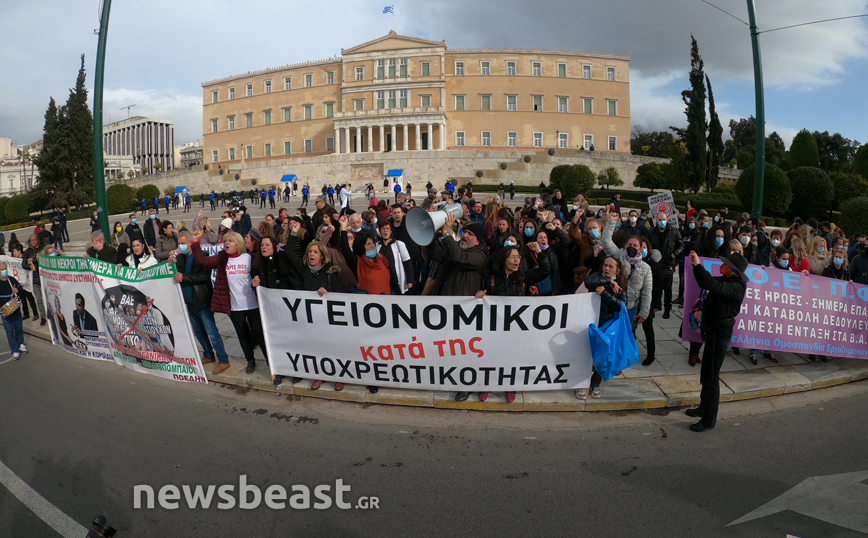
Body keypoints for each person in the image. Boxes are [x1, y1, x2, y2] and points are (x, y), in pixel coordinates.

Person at [685, 251, 748, 432]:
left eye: (725, 264)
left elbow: (710, 284)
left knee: (712, 375)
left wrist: (698, 265)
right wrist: (697, 267)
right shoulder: (726, 280)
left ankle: (709, 419)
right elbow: (707, 282)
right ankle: (703, 407)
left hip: (720, 333)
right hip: (713, 331)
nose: (722, 266)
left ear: (733, 269)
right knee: (707, 372)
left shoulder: (737, 286)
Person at [192, 230, 267, 375]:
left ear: (238, 243)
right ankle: (250, 360)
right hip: (234, 306)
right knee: (242, 334)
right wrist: (195, 242)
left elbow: (261, 274)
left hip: (252, 304)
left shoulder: (249, 258)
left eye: (230, 241)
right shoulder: (222, 258)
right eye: (226, 240)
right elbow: (202, 262)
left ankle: (270, 361)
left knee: (259, 333)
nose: (226, 243)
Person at [171, 231, 230, 374]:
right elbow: (175, 274)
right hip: (189, 302)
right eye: (179, 243)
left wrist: (185, 278)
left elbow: (204, 277)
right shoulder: (180, 258)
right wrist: (171, 262)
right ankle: (208, 355)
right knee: (198, 332)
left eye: (183, 243)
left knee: (211, 331)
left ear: (191, 243)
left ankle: (223, 360)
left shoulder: (202, 255)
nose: (181, 246)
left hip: (202, 301)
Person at [576, 255, 627, 400]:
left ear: (618, 270)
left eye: (611, 266)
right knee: (587, 355)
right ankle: (582, 384)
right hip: (590, 324)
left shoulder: (620, 286)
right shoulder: (598, 278)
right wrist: (608, 281)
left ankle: (595, 383)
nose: (607, 268)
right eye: (605, 265)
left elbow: (621, 306)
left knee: (603, 357)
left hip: (607, 327)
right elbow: (588, 281)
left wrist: (605, 294)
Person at [649, 211, 683, 319]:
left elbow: (681, 245)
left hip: (668, 264)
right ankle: (655, 307)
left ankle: (667, 309)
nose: (662, 222)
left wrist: (675, 253)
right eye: (660, 220)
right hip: (656, 264)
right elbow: (647, 244)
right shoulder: (652, 232)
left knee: (668, 289)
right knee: (655, 288)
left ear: (667, 220)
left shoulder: (674, 231)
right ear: (656, 220)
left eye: (664, 220)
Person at [377, 221, 414, 294]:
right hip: (382, 279)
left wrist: (410, 280)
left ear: (391, 231)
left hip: (396, 279)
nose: (385, 231)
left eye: (387, 229)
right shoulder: (376, 246)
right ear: (380, 231)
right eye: (383, 229)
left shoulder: (399, 244)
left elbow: (407, 263)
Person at [0, 262, 26, 359]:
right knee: (10, 332)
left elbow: (20, 287)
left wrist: (17, 290)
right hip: (5, 314)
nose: (5, 271)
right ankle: (15, 350)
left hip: (16, 311)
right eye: (2, 269)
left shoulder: (11, 280)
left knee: (19, 329)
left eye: (5, 269)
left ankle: (21, 344)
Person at [22, 235, 46, 325]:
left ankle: (50, 315)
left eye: (35, 240)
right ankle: (43, 317)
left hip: (44, 278)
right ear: (29, 241)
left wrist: (40, 259)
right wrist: (30, 265)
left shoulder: (42, 249)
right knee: (39, 299)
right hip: (35, 280)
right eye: (32, 240)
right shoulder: (27, 252)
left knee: (47, 298)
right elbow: (23, 264)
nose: (34, 241)